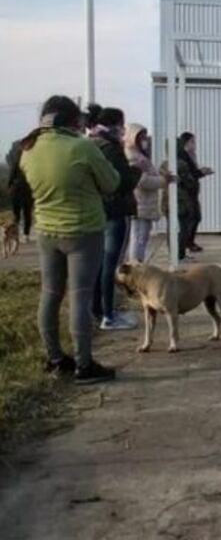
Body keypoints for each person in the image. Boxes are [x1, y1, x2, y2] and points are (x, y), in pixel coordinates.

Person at [19, 96, 120, 384]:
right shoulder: (82, 147)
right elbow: (111, 182)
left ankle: (54, 358)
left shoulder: (29, 148)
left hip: (46, 231)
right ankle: (84, 366)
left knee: (50, 294)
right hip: (83, 232)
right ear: (72, 120)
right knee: (80, 296)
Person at [90, 107, 141, 330]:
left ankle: (97, 310)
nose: (123, 130)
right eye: (122, 124)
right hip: (115, 210)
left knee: (99, 264)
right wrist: (137, 170)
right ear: (116, 124)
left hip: (97, 210)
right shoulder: (110, 147)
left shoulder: (90, 143)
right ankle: (109, 315)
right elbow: (122, 181)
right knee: (111, 265)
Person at [124, 124, 171, 262]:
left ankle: (138, 264)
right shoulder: (132, 156)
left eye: (145, 136)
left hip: (145, 203)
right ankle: (135, 267)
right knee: (138, 238)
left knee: (142, 238)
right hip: (139, 203)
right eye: (141, 137)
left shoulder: (140, 155)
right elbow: (142, 181)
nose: (144, 140)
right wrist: (163, 180)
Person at [178, 132, 213, 253]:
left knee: (196, 217)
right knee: (191, 218)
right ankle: (186, 243)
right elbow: (189, 175)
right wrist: (202, 172)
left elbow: (194, 173)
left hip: (193, 191)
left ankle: (189, 242)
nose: (194, 145)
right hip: (186, 193)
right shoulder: (182, 156)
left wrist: (201, 171)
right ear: (185, 143)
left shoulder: (191, 156)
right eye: (192, 142)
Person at [6, 140, 33, 242]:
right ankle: (26, 235)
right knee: (27, 213)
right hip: (28, 190)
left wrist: (9, 186)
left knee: (16, 214)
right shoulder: (31, 159)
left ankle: (16, 235)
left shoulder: (17, 159)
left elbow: (12, 174)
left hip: (17, 190)